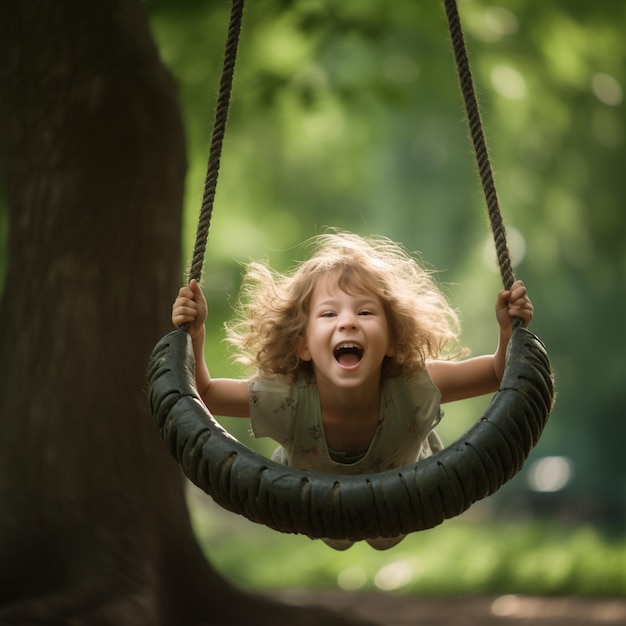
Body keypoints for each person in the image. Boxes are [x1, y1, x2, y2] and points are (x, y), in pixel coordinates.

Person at [172, 231, 533, 550]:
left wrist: (507, 330)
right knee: (337, 534)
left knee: (384, 537)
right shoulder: (287, 399)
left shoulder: (413, 385)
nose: (347, 321)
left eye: (365, 312)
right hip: (316, 506)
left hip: (405, 501)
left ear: (391, 340)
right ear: (303, 345)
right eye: (329, 314)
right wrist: (197, 333)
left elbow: (499, 373)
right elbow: (201, 393)